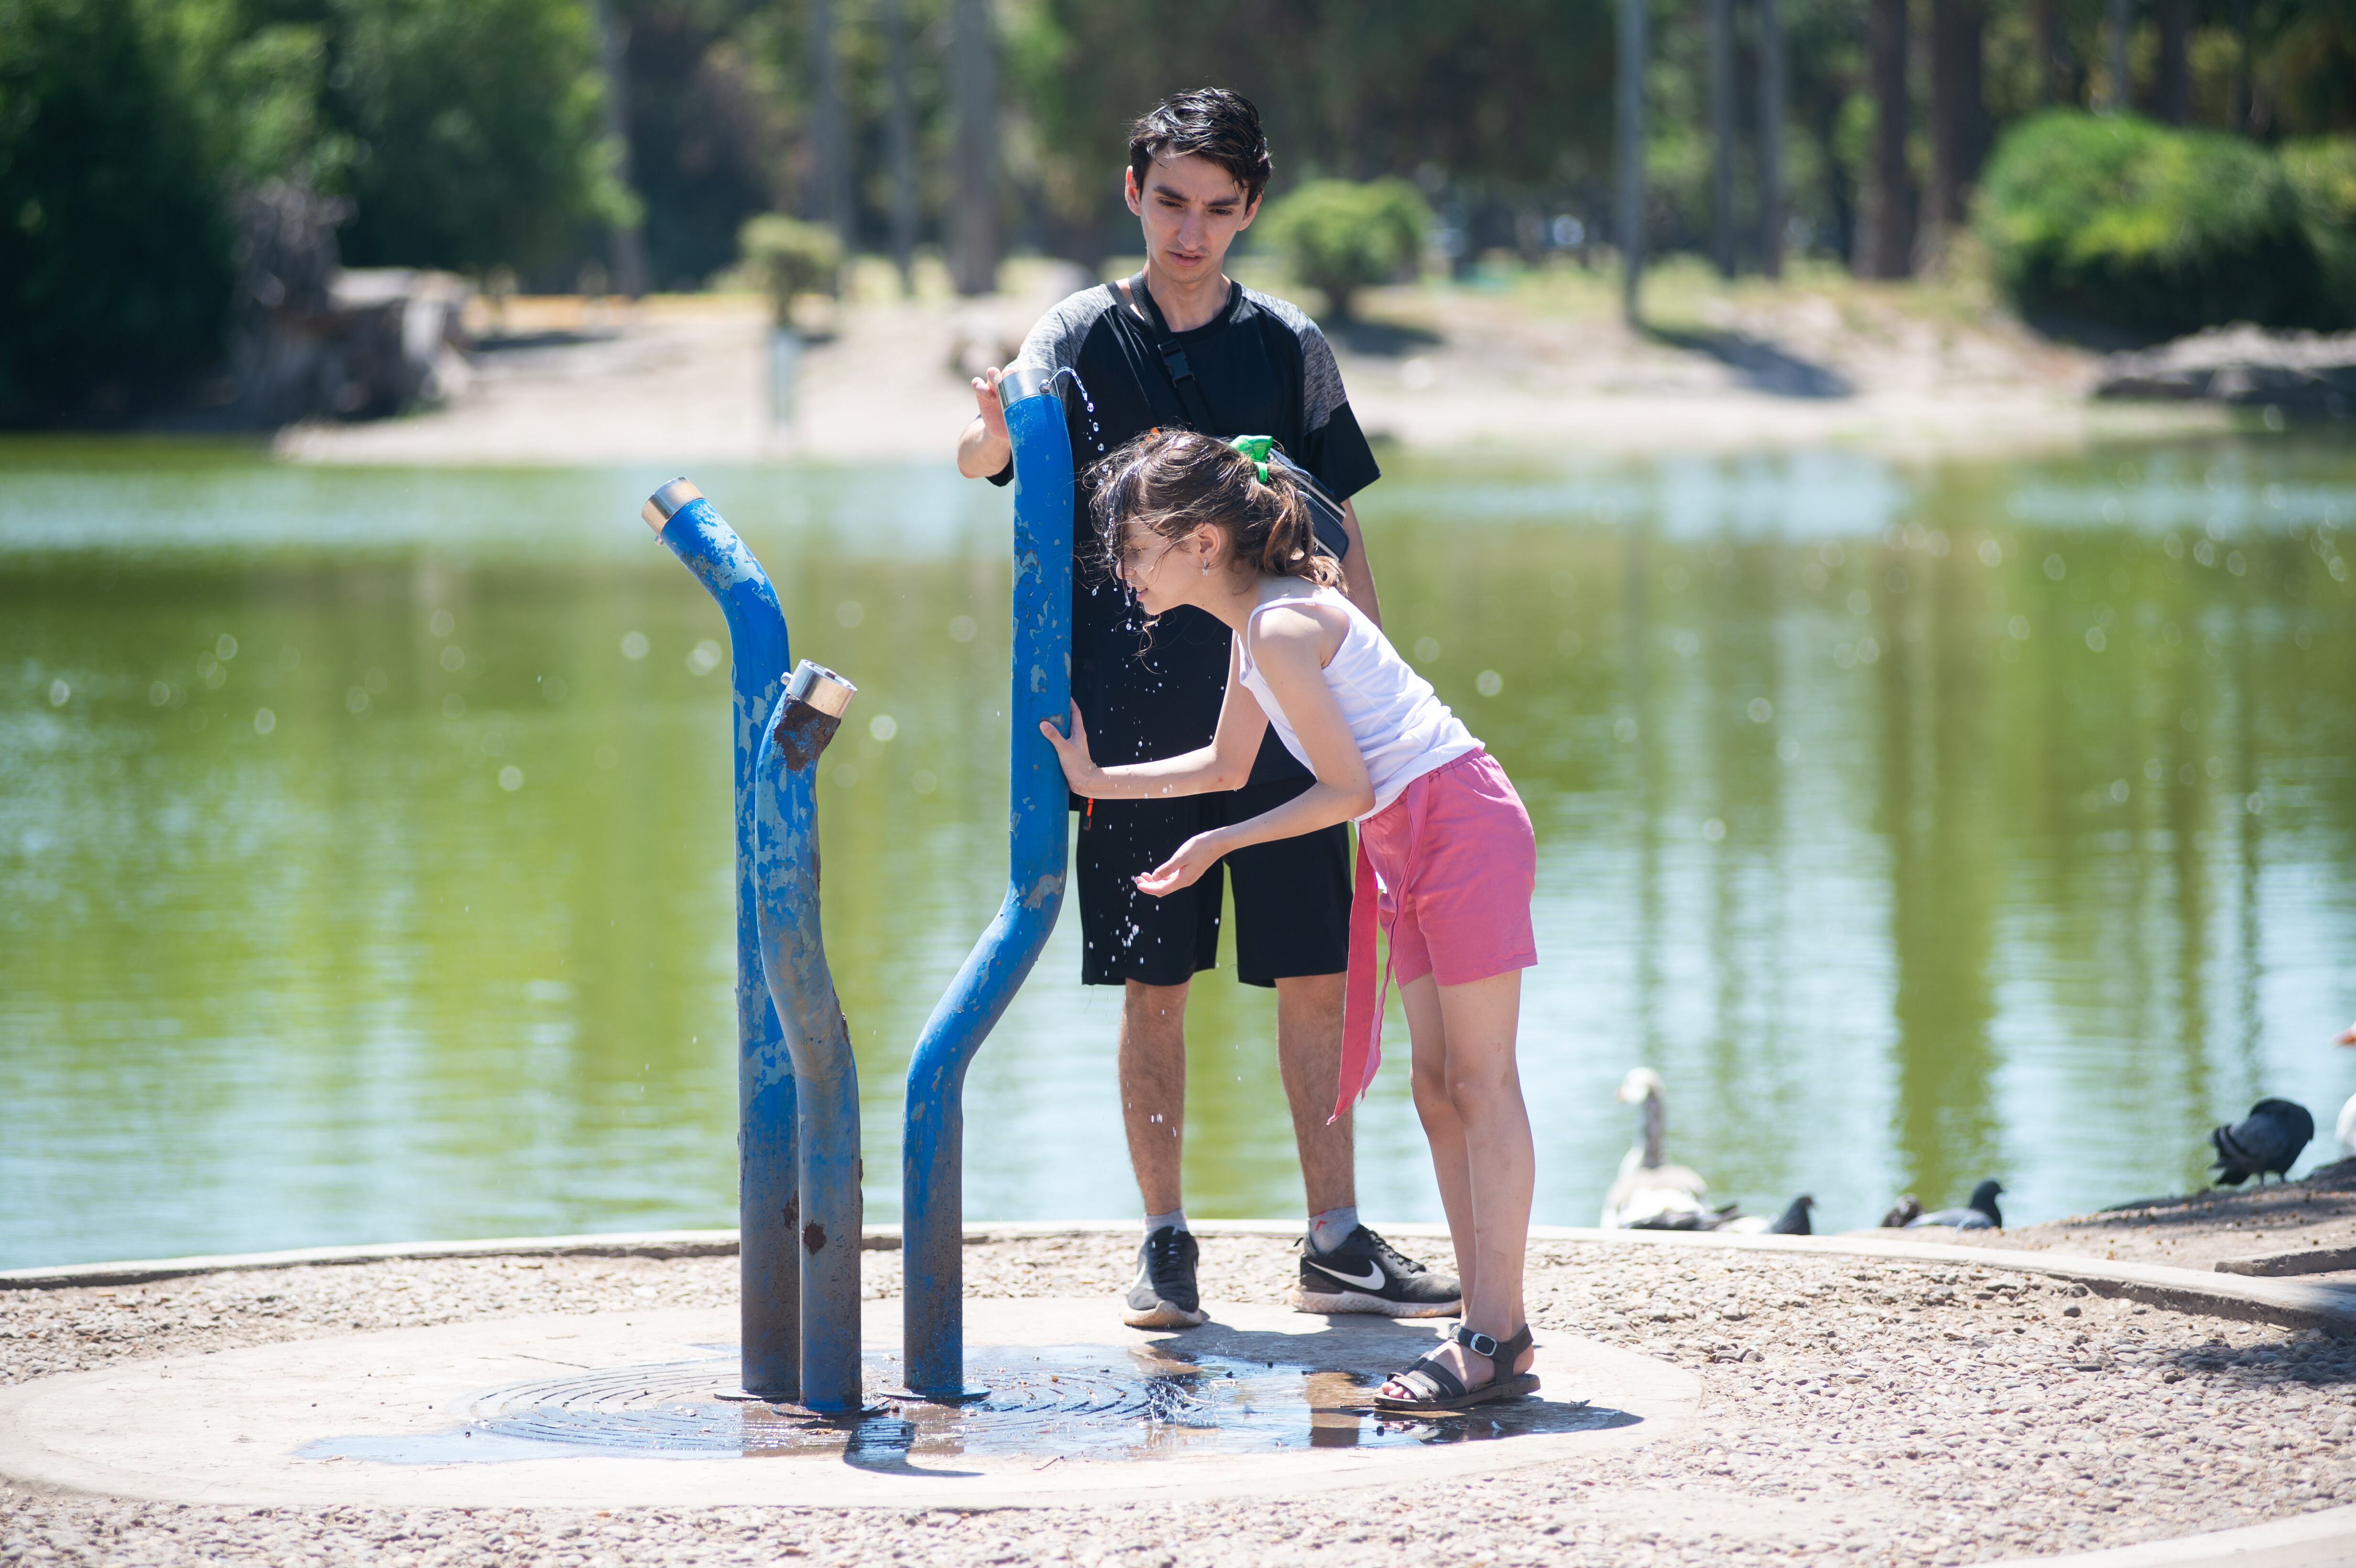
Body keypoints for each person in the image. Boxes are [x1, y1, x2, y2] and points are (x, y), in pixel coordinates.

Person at [954, 88, 1457, 1330]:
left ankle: (1335, 1240)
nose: (1191, 231)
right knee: (1154, 987)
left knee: (1316, 978)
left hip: (1288, 711)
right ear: (1133, 192)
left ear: (1251, 209)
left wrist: (1377, 692)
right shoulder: (1072, 333)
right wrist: (981, 439)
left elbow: (1339, 527)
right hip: (1125, 722)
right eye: (1170, 202)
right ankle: (1165, 1245)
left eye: (1218, 209)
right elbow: (989, 460)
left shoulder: (1290, 347)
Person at [1040, 429, 1541, 1413]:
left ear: (1202, 545)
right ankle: (1490, 1327)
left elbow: (1344, 785)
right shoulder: (1253, 629)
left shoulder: (1276, 626)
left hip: (1460, 819)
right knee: (1438, 1087)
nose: (1124, 568)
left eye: (1138, 546)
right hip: (1411, 831)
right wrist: (1099, 780)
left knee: (1479, 1079)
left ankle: (1494, 1329)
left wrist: (1218, 845)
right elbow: (1227, 769)